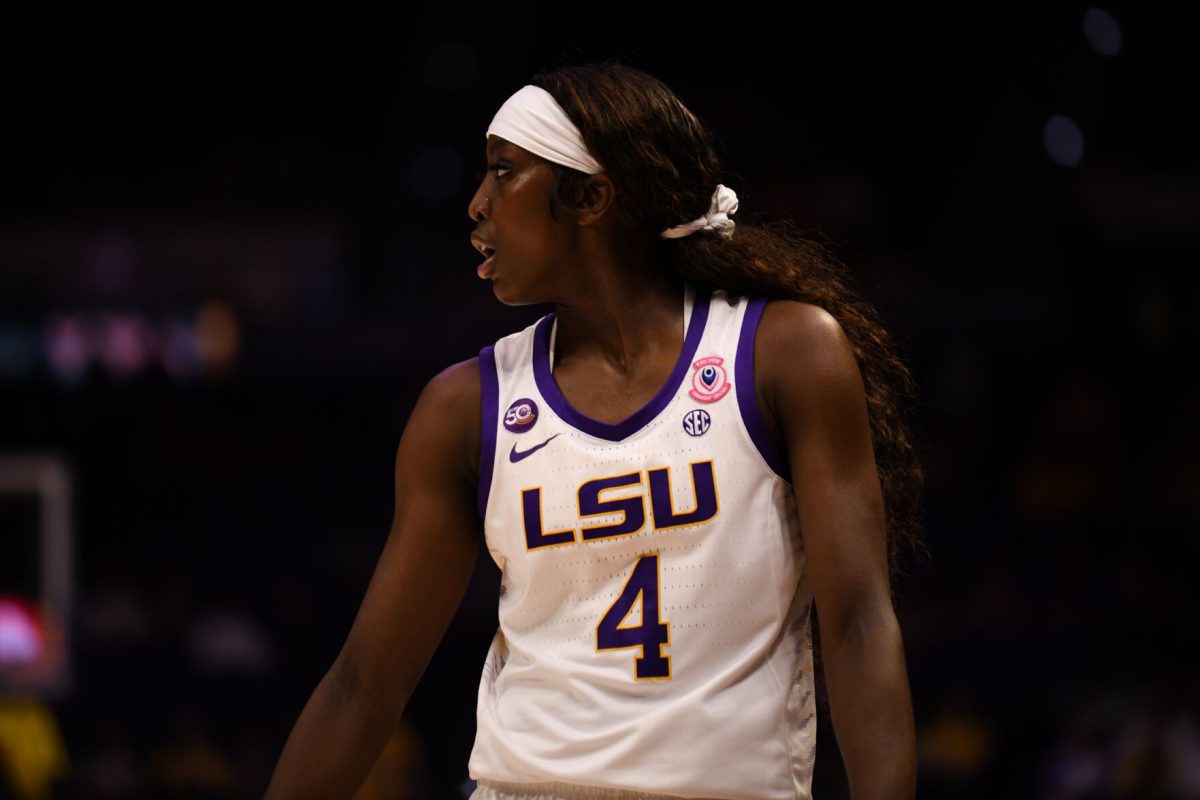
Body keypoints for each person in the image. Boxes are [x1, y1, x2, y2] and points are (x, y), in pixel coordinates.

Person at [266, 60, 923, 800]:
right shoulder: (463, 408)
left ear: (589, 197)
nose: (477, 204)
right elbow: (364, 686)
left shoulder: (786, 353)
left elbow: (860, 625)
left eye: (504, 173)